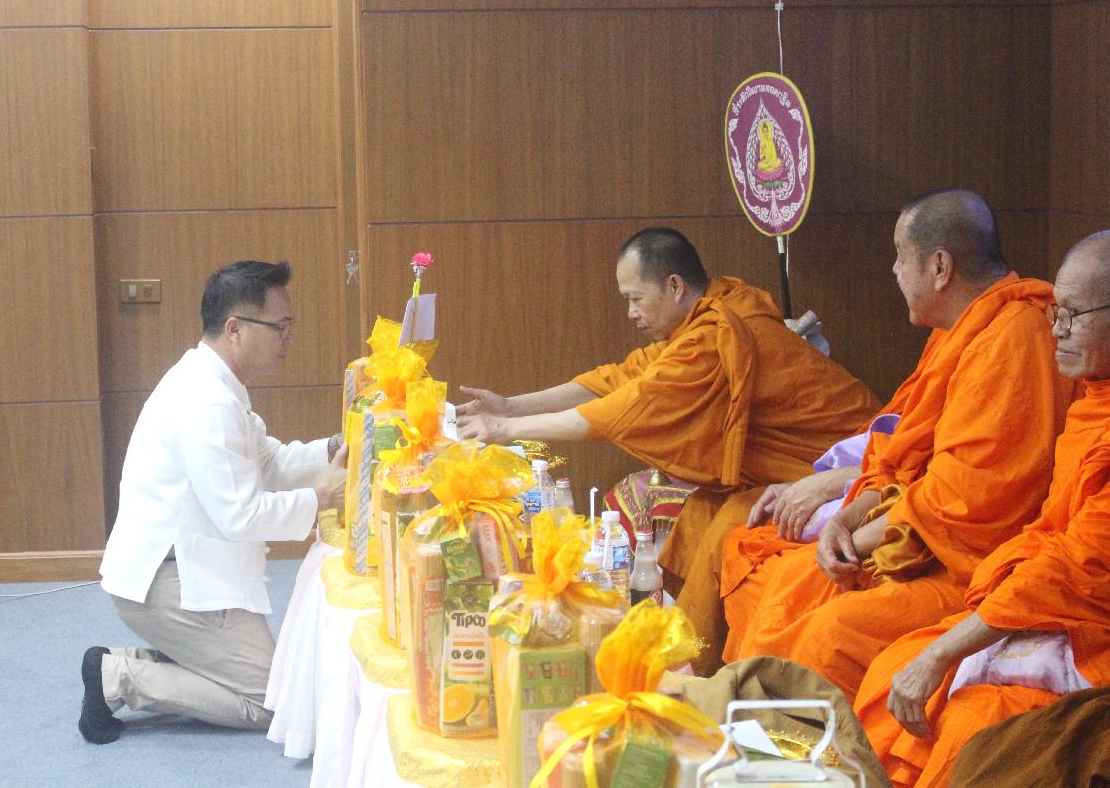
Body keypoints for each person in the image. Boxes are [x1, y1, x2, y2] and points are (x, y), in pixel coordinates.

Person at [457, 227, 881, 672]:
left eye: (635, 298)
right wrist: (511, 406)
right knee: (701, 513)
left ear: (674, 286)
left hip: (855, 462)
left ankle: (690, 665)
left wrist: (507, 428)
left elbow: (623, 410)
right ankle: (685, 646)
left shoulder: (716, 335)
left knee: (731, 524)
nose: (630, 312)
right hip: (809, 464)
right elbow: (616, 380)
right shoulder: (710, 314)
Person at [718, 189, 1073, 699]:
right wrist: (845, 520)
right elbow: (898, 455)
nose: (894, 271)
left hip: (971, 568)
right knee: (787, 581)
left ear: (940, 267)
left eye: (900, 257)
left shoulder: (1016, 339)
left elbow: (962, 502)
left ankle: (797, 743)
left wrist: (857, 541)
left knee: (829, 633)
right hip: (915, 537)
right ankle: (746, 724)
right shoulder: (957, 332)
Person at [852, 231, 1110, 788]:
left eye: (1073, 315)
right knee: (894, 669)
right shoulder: (1095, 402)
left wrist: (948, 651)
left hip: (1092, 635)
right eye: (1057, 312)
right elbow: (1051, 531)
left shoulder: (1015, 341)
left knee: (971, 726)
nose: (1056, 329)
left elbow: (1076, 565)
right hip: (1038, 596)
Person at [79, 260, 347, 744]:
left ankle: (126, 663)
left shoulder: (216, 382)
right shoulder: (208, 401)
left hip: (180, 569)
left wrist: (333, 448)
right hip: (167, 583)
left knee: (276, 684)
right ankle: (117, 677)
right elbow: (240, 516)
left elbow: (269, 463)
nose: (289, 338)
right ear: (235, 328)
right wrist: (323, 498)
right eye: (280, 326)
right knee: (272, 704)